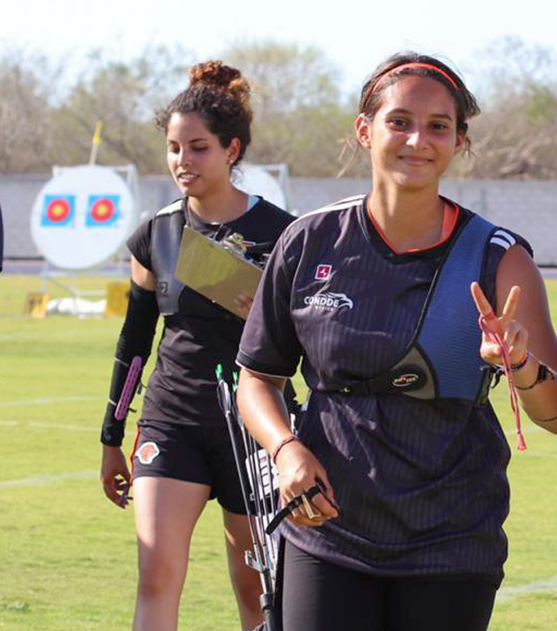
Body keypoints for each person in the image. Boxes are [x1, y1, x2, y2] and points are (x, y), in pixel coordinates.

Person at [234, 52, 557, 631]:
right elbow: (256, 378)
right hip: (327, 529)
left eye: (438, 126)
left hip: (451, 541)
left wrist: (520, 365)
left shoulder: (499, 257)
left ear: (459, 142)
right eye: (399, 121)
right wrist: (286, 450)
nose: (417, 140)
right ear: (365, 129)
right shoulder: (309, 240)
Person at [98, 60, 296, 631]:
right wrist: (112, 436)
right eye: (174, 148)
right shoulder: (156, 234)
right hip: (171, 423)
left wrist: (263, 317)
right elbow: (135, 342)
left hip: (253, 430)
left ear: (231, 150)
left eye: (198, 147)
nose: (183, 160)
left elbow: (309, 344)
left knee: (257, 588)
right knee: (156, 576)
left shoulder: (284, 234)